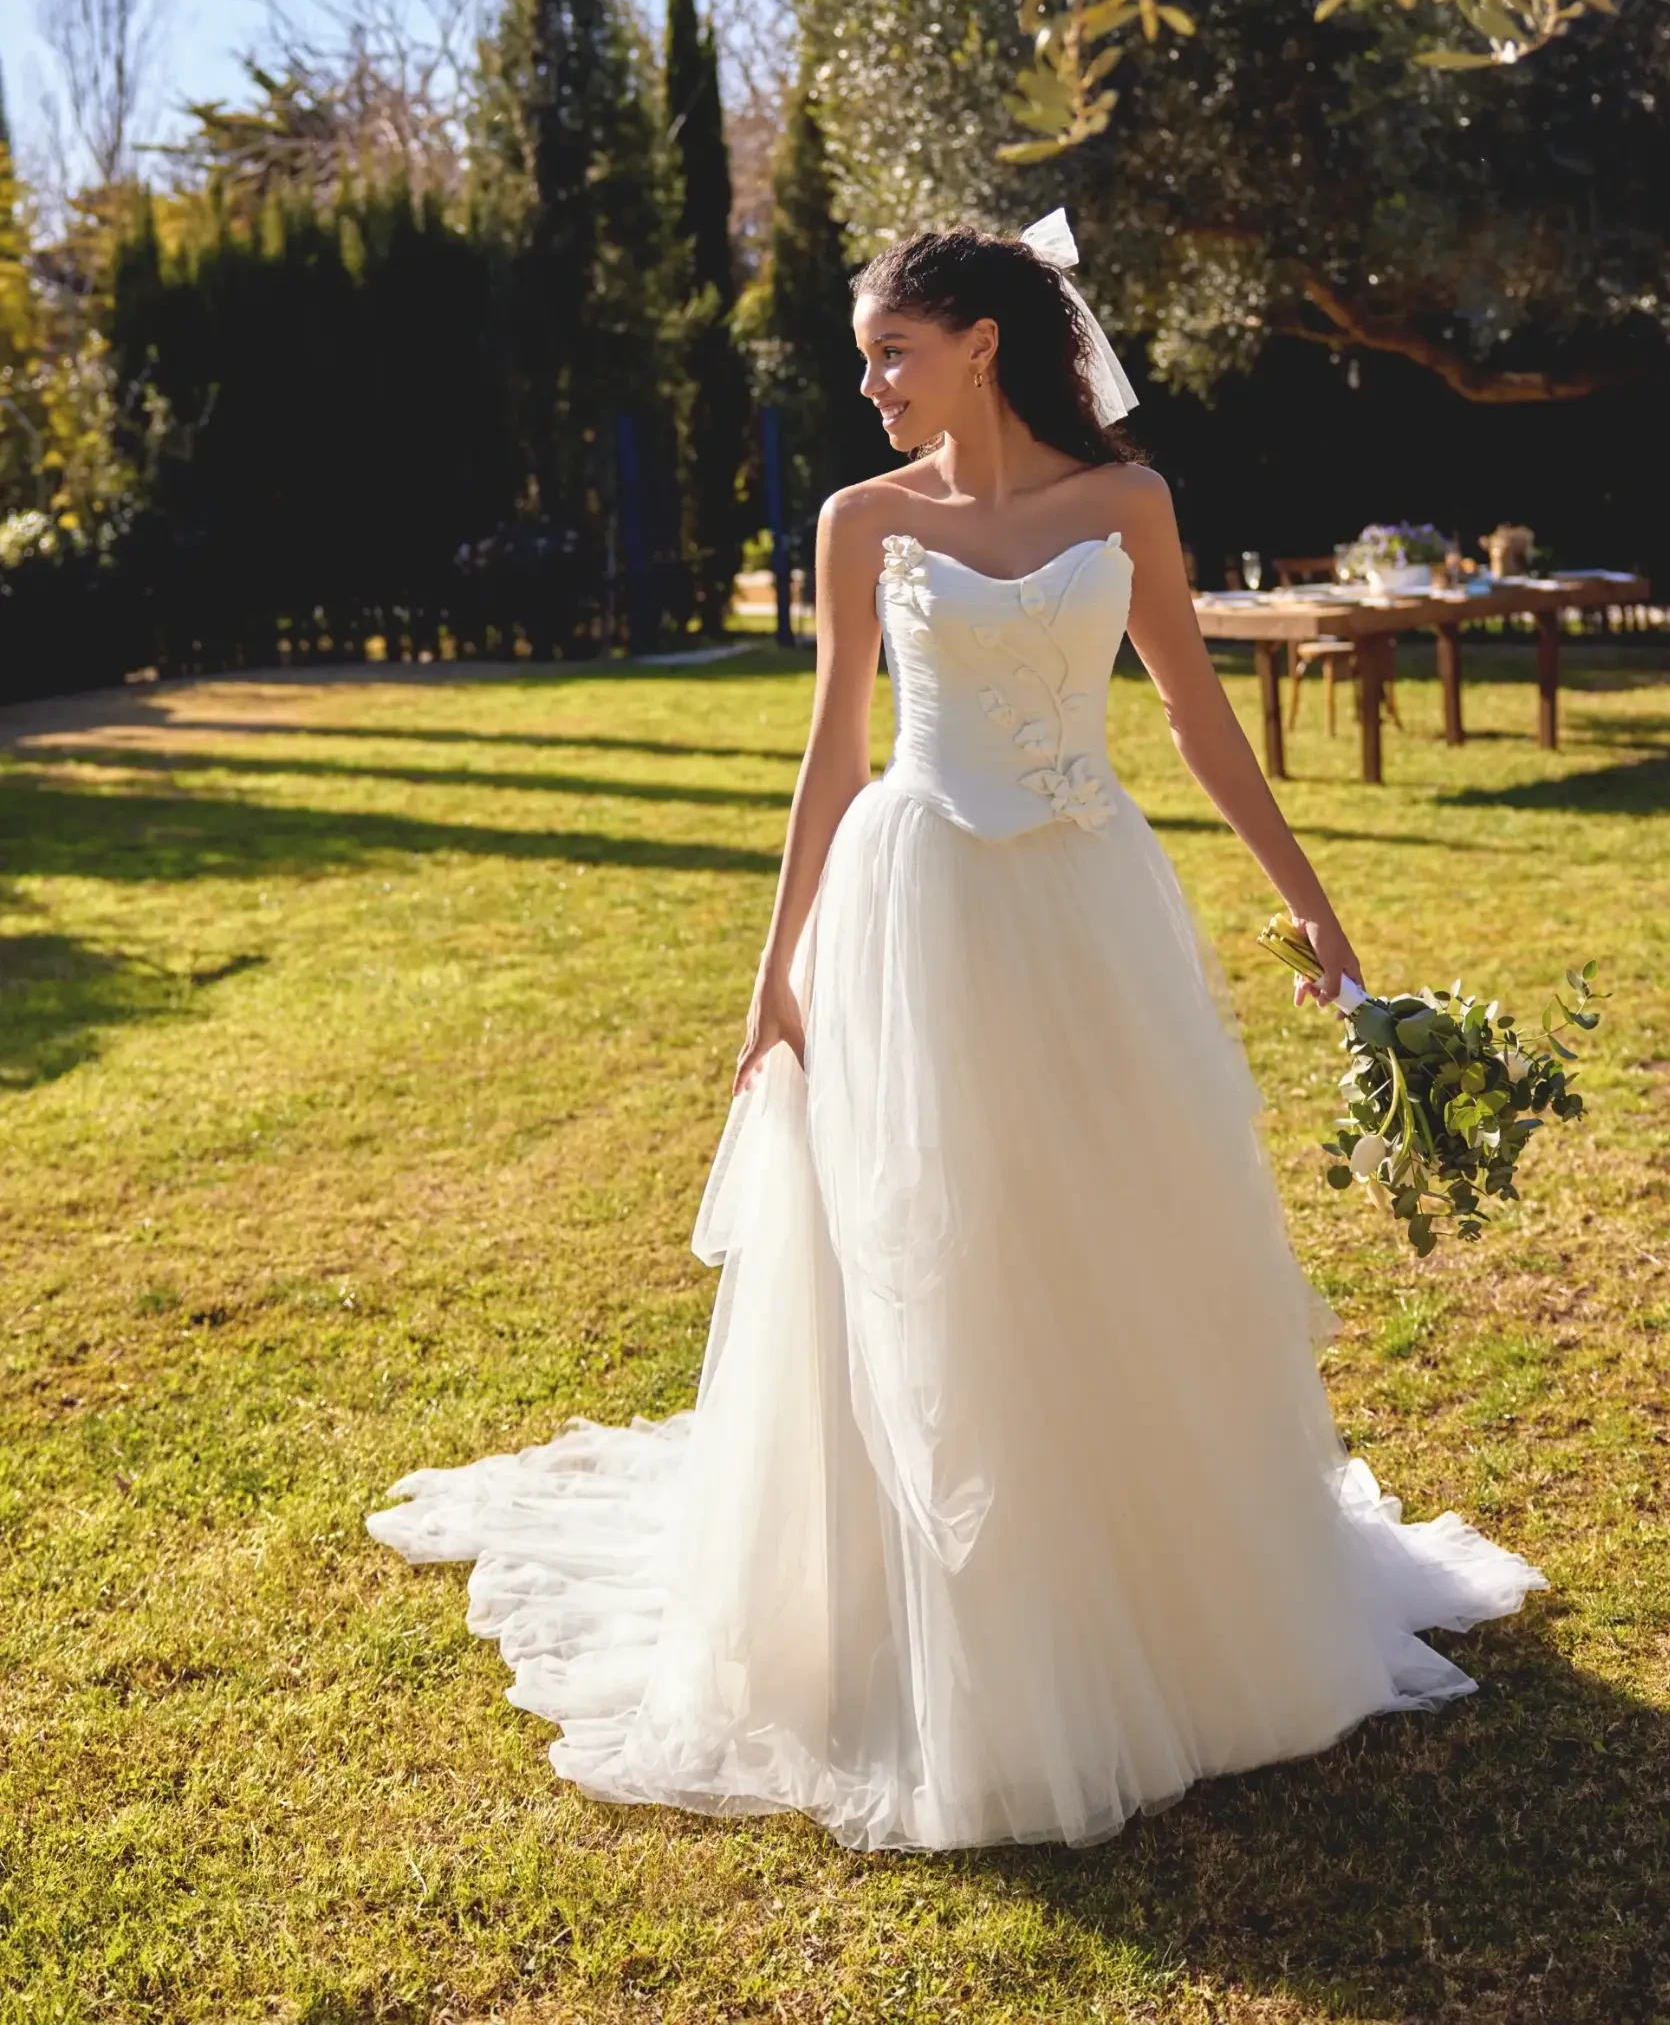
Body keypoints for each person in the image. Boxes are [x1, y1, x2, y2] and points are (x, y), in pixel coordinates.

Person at [366, 214, 1546, 1853]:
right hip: (915, 904)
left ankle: (1155, 1582)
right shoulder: (861, 522)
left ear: (981, 344)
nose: (869, 386)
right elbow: (833, 753)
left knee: (1112, 1216)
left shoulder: (1127, 503)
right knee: (932, 1239)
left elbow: (1198, 719)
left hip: (1090, 899)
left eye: (890, 353)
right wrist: (773, 972)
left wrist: (1313, 909)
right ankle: (943, 1616)